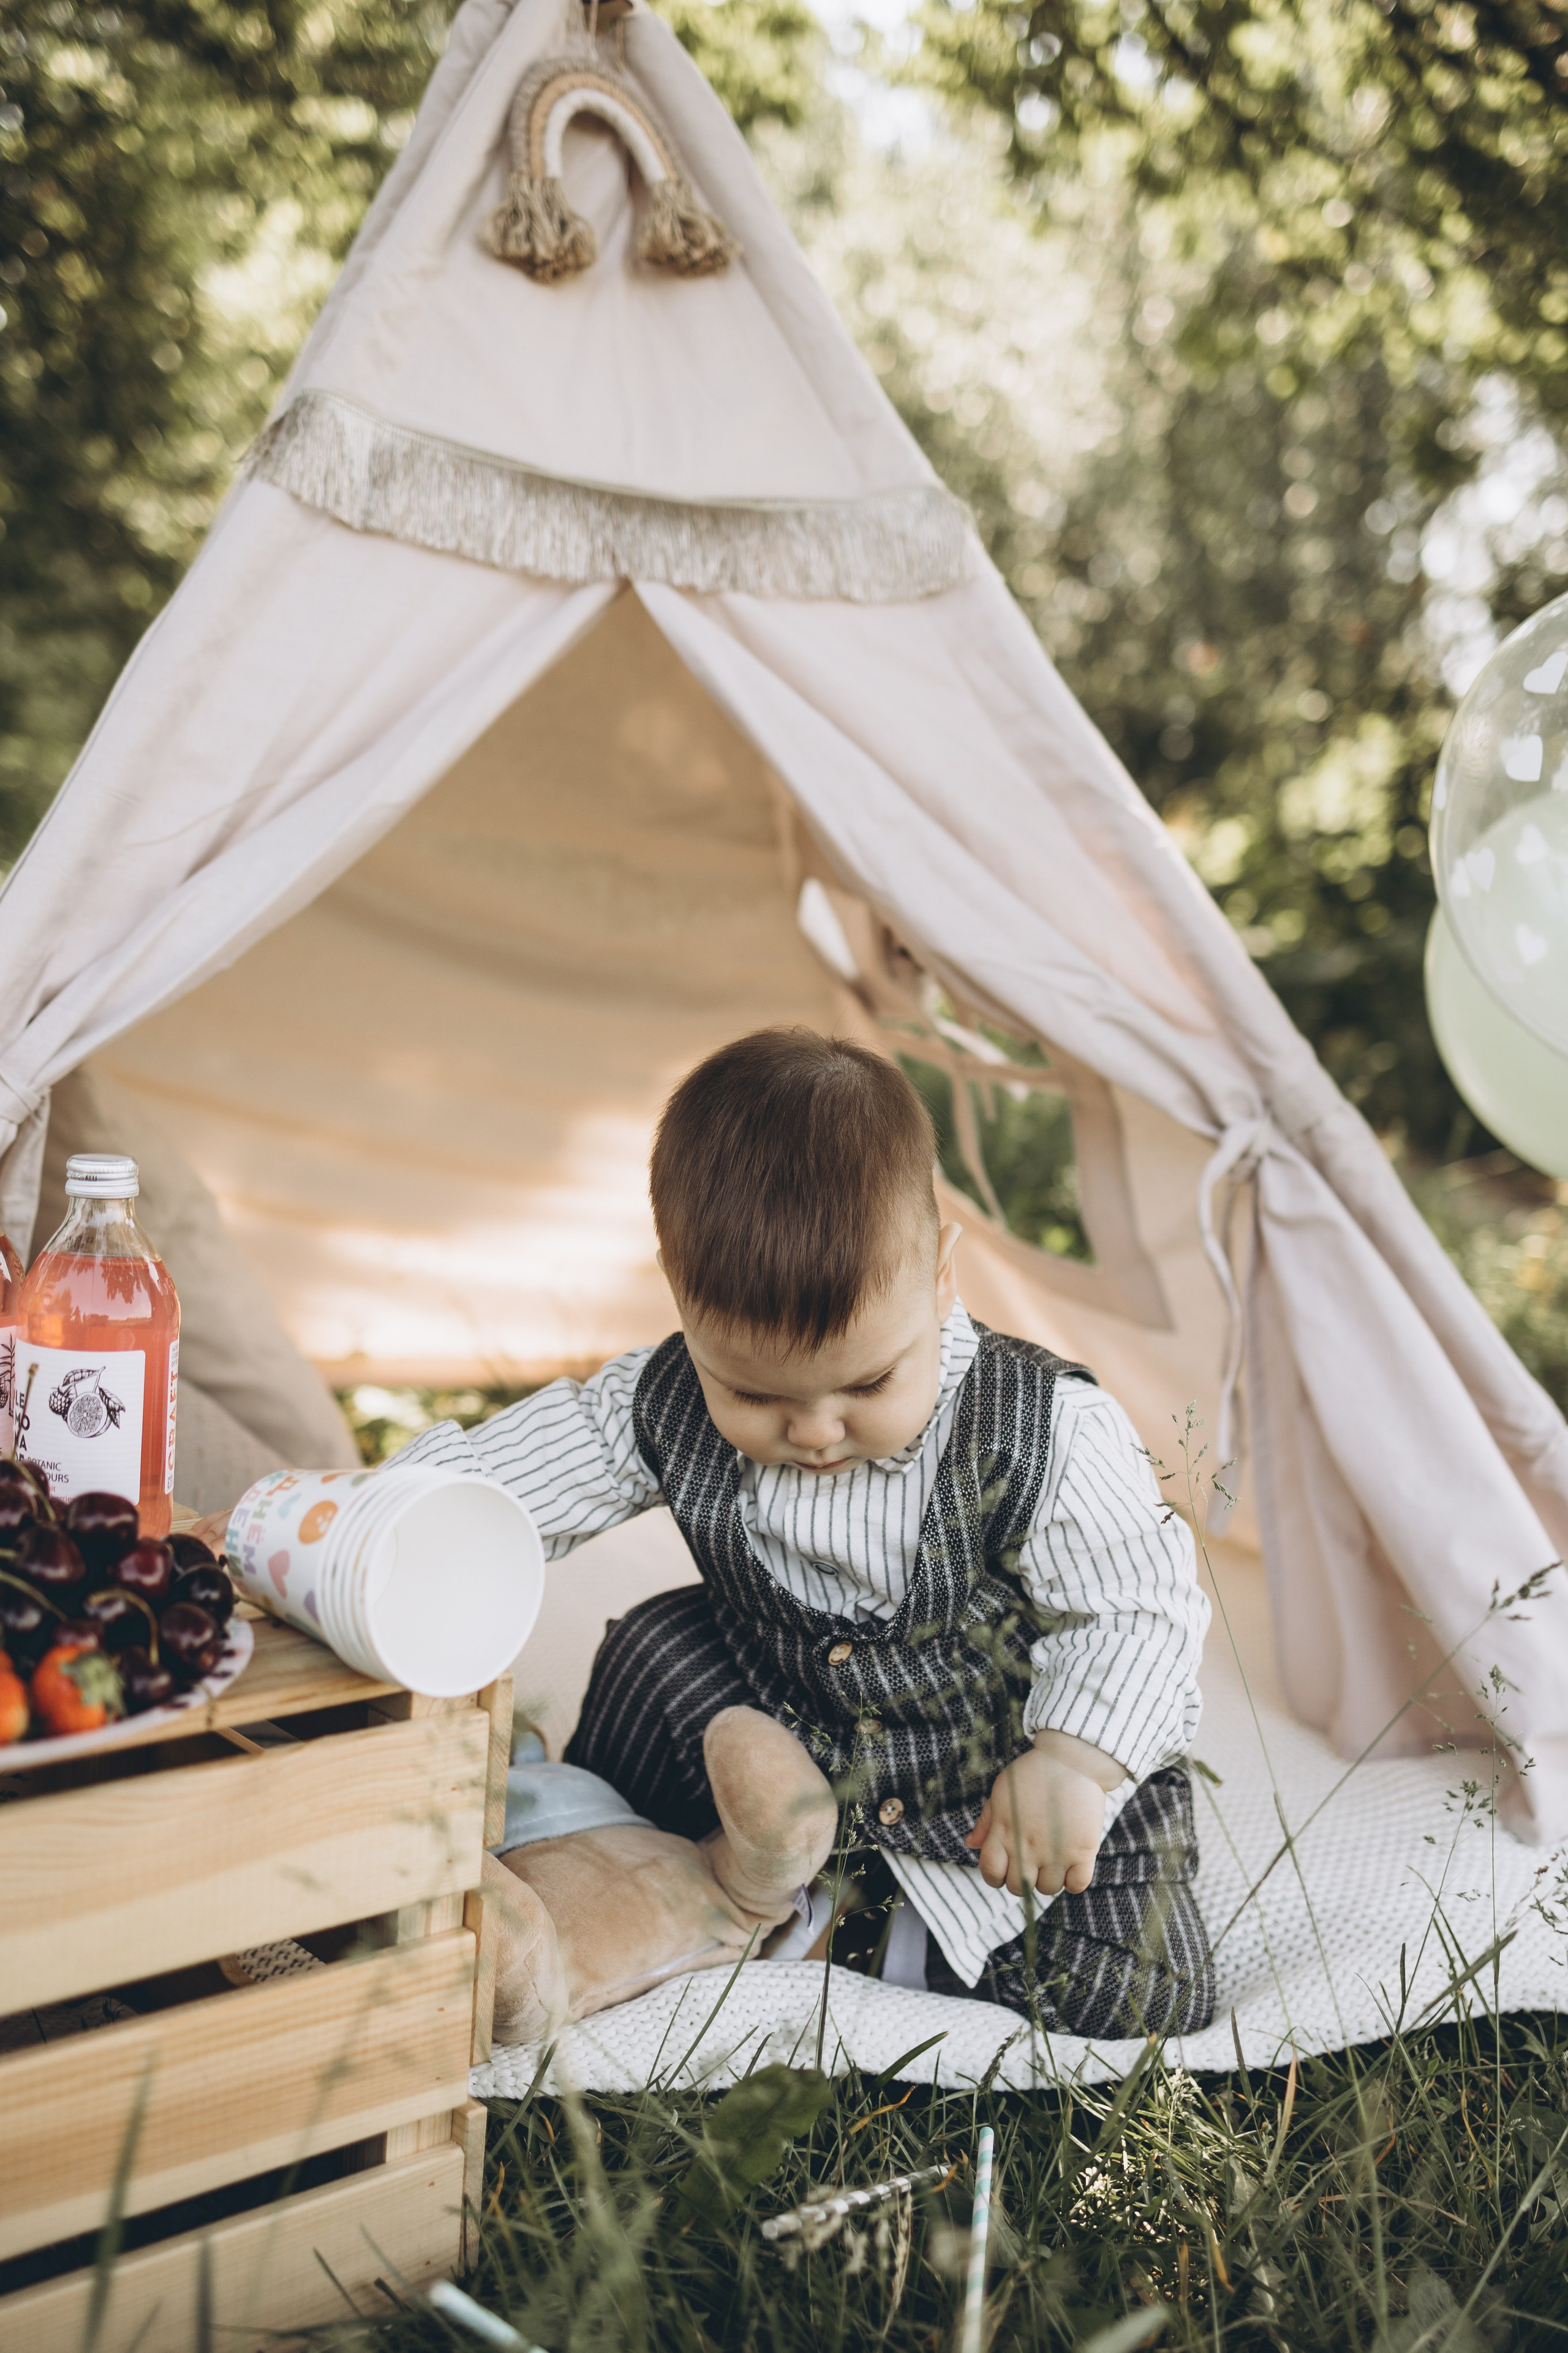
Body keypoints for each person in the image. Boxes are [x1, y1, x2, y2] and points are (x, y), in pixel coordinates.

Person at [404, 1028, 1215, 2036]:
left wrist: (1076, 1759)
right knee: (658, 1644)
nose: (817, 1429)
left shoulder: (1041, 1424)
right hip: (784, 1744)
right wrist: (369, 1521)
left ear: (942, 1274)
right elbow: (504, 1480)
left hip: (995, 1790)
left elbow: (1141, 1603)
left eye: (870, 1381)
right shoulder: (662, 1397)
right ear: (680, 1295)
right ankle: (606, 1866)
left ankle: (850, 1929)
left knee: (1145, 1988)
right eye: (754, 1393)